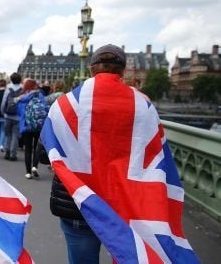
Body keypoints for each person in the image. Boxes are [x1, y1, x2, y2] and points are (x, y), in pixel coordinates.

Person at [44, 44, 199, 263]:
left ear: (91, 69)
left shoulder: (63, 105)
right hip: (123, 204)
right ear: (123, 71)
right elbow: (155, 160)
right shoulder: (143, 107)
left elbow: (46, 154)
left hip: (78, 203)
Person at [14, 78, 47, 179]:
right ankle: (34, 167)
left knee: (27, 149)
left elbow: (18, 110)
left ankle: (28, 172)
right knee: (36, 147)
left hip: (26, 125)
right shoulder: (40, 95)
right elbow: (45, 108)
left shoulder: (22, 96)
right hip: (38, 125)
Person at [0, 72, 23, 161]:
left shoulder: (8, 89)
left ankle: (7, 151)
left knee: (8, 135)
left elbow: (3, 102)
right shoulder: (22, 89)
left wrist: (3, 112)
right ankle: (13, 154)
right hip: (18, 116)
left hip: (8, 115)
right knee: (15, 136)